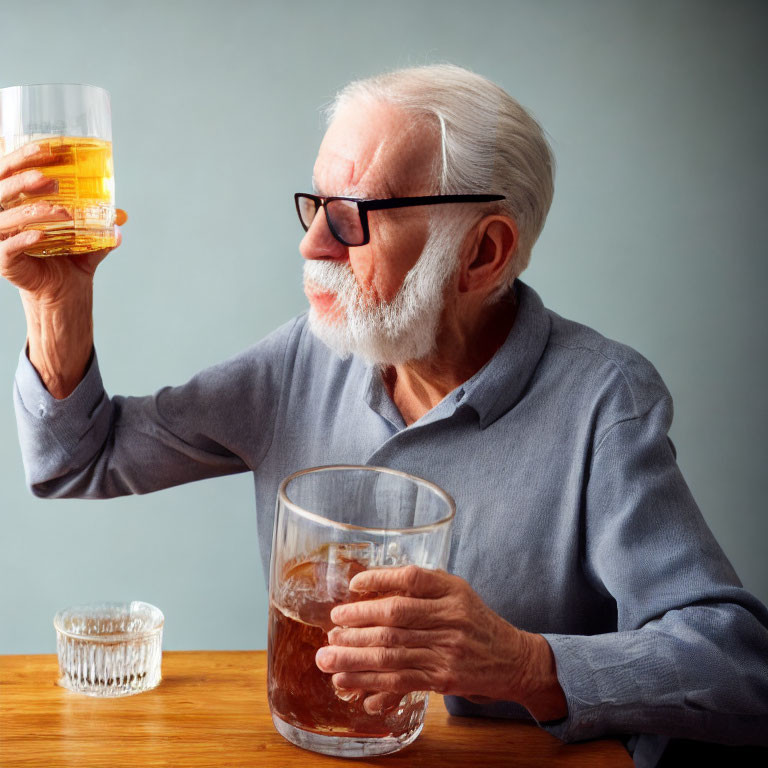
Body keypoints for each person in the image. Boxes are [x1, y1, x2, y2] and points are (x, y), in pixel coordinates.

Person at [2, 65, 767, 766]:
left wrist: (529, 665)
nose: (311, 245)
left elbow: (739, 666)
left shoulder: (606, 401)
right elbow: (80, 459)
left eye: (350, 217)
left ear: (483, 254)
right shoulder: (306, 356)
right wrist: (54, 298)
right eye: (315, 207)